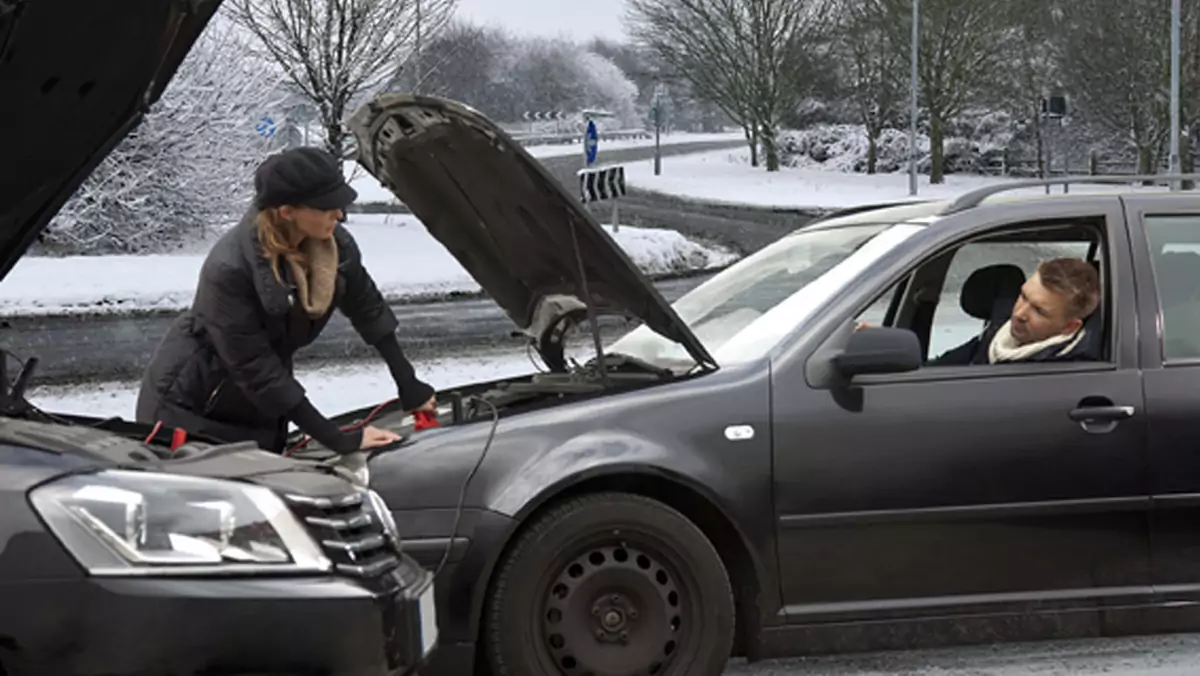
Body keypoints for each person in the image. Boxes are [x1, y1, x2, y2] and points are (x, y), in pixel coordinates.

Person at [136, 147, 436, 454]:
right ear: (287, 211)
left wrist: (408, 384)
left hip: (260, 408)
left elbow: (368, 309)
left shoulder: (335, 247)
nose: (340, 214)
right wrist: (338, 439)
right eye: (326, 206)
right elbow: (256, 368)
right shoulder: (230, 268)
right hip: (190, 411)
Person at [929, 257, 1102, 366]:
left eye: (1039, 311)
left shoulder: (1058, 372)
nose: (1020, 314)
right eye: (1023, 296)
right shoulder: (1004, 333)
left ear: (1070, 327)